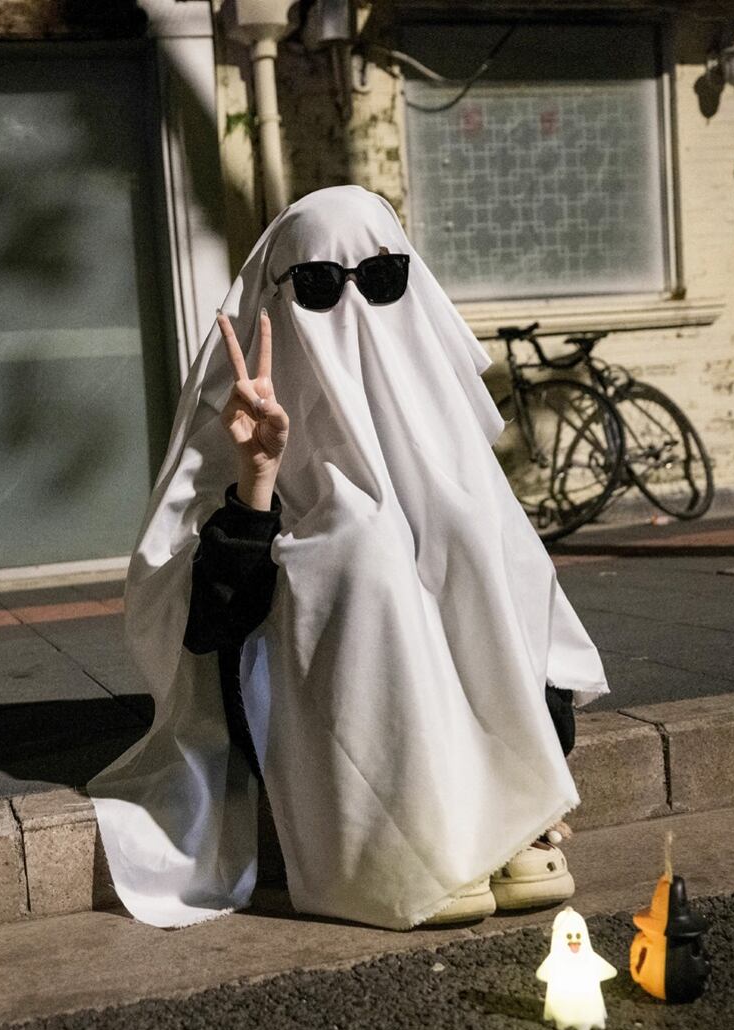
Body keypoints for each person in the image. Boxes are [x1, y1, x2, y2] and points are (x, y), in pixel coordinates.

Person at [87, 185, 609, 930]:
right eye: (322, 286)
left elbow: (529, 609)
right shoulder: (233, 416)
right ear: (275, 296)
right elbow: (200, 625)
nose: (357, 310)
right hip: (284, 697)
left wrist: (549, 765)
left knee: (463, 528)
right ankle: (400, 839)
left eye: (385, 280)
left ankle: (509, 817)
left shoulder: (442, 433)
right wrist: (256, 482)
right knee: (358, 553)